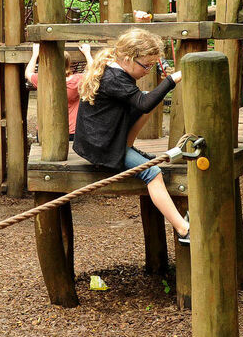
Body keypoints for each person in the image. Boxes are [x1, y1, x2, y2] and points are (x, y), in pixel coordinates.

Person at [73, 30, 190, 244]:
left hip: (103, 136)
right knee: (153, 173)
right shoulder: (115, 78)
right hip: (102, 146)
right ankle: (183, 230)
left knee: (148, 99)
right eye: (145, 66)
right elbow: (144, 104)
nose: (147, 71)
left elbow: (144, 102)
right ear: (128, 58)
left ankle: (127, 147)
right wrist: (172, 80)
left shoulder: (115, 68)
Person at [26, 42, 92, 140]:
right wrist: (87, 54)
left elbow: (28, 73)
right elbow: (94, 72)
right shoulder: (77, 80)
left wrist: (35, 54)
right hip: (71, 131)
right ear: (68, 64)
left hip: (46, 130)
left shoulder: (43, 79)